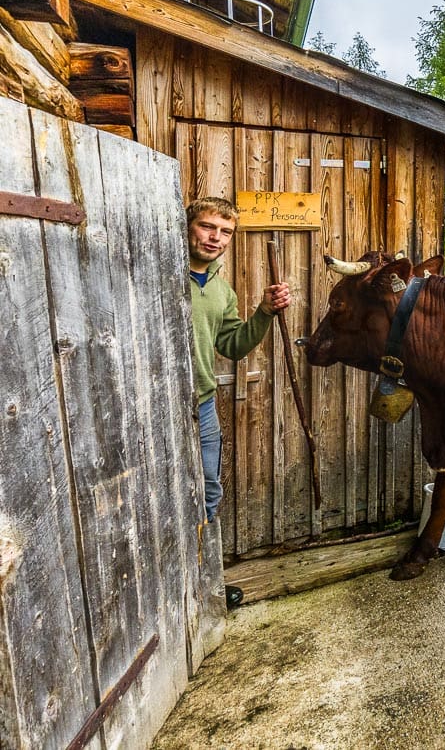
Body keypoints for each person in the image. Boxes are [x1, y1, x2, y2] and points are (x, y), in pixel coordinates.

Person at [186, 197, 290, 608]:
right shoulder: (155, 270)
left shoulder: (220, 290)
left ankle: (206, 587)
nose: (216, 238)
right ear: (189, 226)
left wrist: (263, 311)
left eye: (225, 231)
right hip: (154, 410)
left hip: (203, 406)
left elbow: (232, 345)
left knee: (209, 493)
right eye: (208, 227)